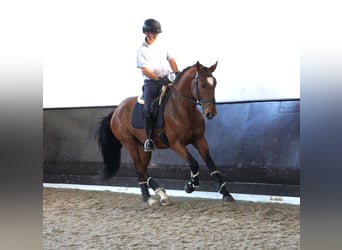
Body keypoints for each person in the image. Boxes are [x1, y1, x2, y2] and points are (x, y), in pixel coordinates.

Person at [136, 18, 179, 152]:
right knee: (148, 109)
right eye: (153, 33)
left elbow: (171, 59)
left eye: (157, 33)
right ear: (146, 33)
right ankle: (149, 139)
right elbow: (144, 70)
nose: (156, 35)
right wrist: (158, 78)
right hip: (152, 83)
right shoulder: (141, 50)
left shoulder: (163, 45)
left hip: (167, 78)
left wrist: (177, 73)